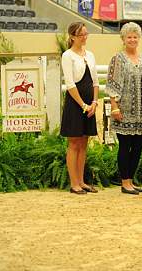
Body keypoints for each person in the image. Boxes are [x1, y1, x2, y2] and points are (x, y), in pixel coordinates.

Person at [106, 22, 142, 195]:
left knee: (138, 147)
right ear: (123, 39)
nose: (132, 39)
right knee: (125, 146)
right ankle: (124, 182)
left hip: (141, 113)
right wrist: (114, 108)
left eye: (135, 36)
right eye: (129, 37)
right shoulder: (117, 59)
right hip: (123, 111)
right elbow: (112, 84)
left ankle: (131, 181)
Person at [60, 22, 99, 194]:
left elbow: (95, 81)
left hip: (90, 103)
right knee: (74, 142)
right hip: (75, 104)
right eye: (81, 34)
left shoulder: (90, 54)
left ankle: (82, 181)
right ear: (73, 37)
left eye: (86, 33)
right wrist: (83, 104)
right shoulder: (67, 55)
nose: (84, 37)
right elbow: (70, 84)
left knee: (84, 142)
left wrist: (94, 102)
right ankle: (73, 183)